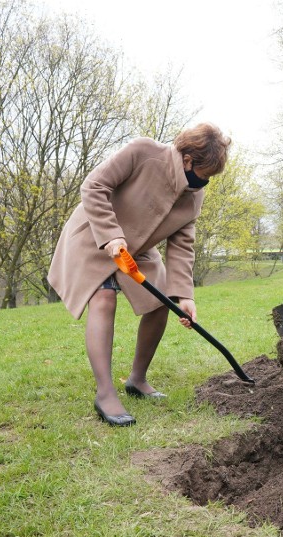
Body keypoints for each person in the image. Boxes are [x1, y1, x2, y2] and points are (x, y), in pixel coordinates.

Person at [48, 123, 232, 426]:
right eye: (205, 173)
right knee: (104, 298)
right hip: (94, 236)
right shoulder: (143, 152)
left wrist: (184, 295)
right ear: (188, 159)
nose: (205, 182)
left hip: (137, 250)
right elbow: (94, 186)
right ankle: (105, 393)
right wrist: (110, 235)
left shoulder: (194, 196)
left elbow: (182, 245)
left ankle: (137, 380)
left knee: (162, 302)